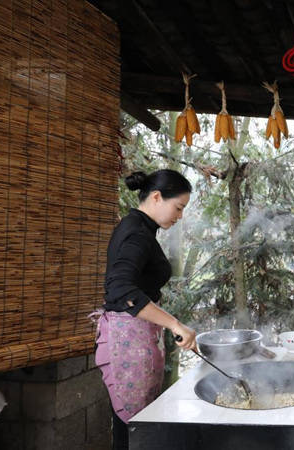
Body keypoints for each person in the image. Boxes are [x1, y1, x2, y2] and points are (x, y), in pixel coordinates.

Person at [93, 169, 198, 450]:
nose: (180, 216)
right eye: (178, 207)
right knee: (132, 430)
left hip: (138, 338)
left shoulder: (141, 229)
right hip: (128, 341)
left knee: (138, 426)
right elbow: (121, 291)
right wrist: (174, 324)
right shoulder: (136, 233)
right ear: (156, 197)